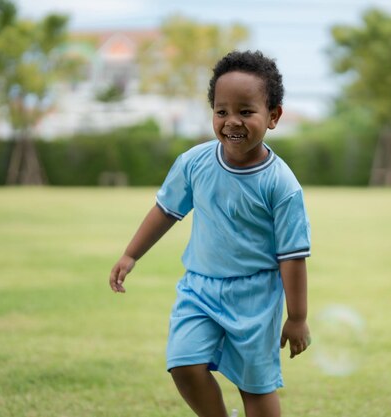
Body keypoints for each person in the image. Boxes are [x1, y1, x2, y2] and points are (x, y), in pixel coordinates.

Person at [109, 50, 311, 417]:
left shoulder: (281, 185)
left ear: (274, 116)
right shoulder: (194, 163)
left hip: (255, 296)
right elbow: (165, 211)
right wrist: (130, 254)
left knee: (256, 387)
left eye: (246, 111)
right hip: (199, 289)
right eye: (222, 111)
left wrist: (297, 317)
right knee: (183, 364)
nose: (231, 121)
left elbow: (292, 256)